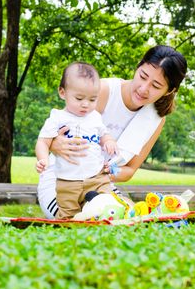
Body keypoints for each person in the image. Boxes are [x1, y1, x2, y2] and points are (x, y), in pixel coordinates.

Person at [37, 45, 187, 219]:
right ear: (138, 67)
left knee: (130, 217)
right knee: (78, 219)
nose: (144, 88)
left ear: (169, 91)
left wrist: (108, 171)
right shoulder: (103, 91)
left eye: (156, 85)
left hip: (100, 182)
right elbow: (55, 134)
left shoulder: (156, 118)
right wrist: (55, 145)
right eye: (143, 76)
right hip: (61, 180)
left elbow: (130, 170)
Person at [35, 62, 119, 219]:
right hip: (68, 182)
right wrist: (43, 159)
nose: (86, 104)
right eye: (79, 98)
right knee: (69, 217)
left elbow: (103, 135)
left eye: (93, 99)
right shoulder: (58, 117)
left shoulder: (95, 117)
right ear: (62, 92)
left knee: (108, 205)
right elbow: (43, 142)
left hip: (97, 178)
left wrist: (108, 142)